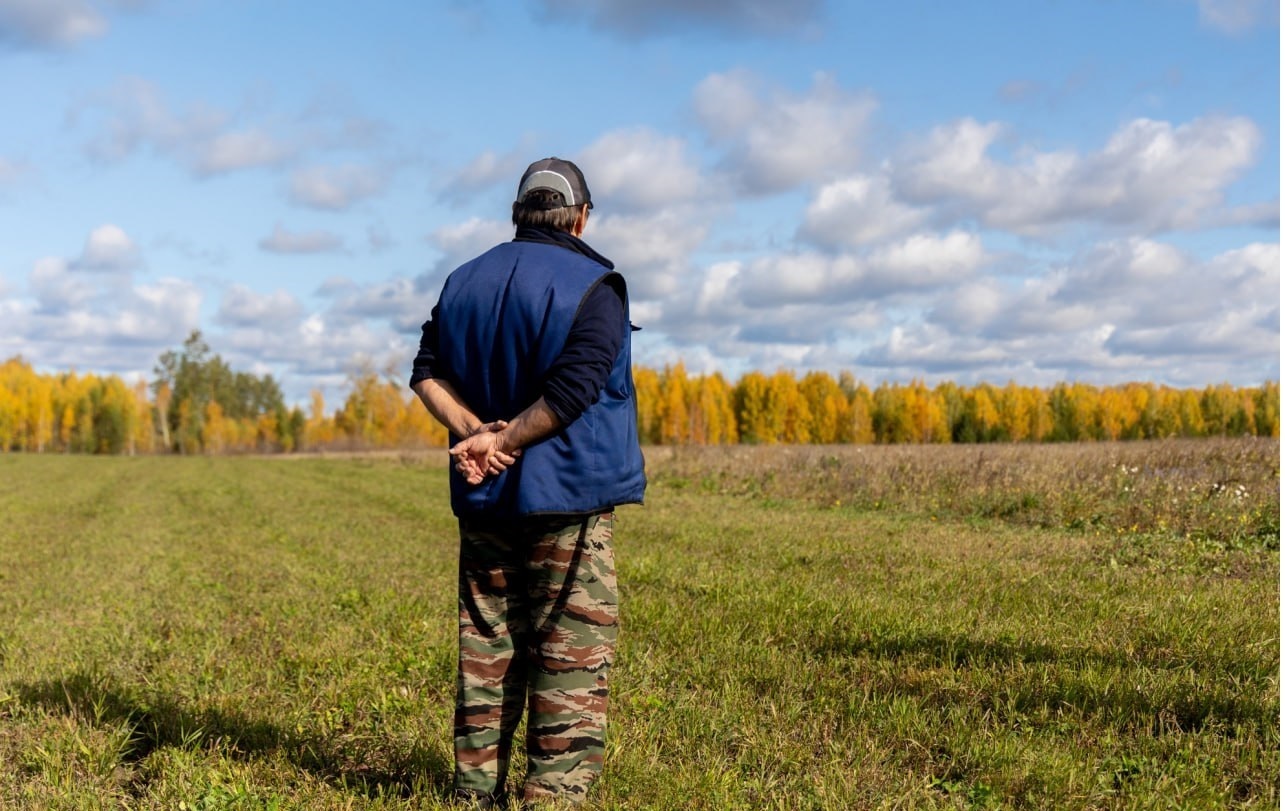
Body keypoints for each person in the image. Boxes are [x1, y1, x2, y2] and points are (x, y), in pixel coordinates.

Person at [410, 157, 646, 809]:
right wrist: (503, 439)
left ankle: (473, 791)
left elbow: (424, 371)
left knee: (486, 647)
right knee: (569, 650)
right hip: (567, 500)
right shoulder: (594, 284)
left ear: (518, 214)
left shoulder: (462, 281)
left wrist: (471, 434)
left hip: (484, 494)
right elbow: (573, 391)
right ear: (580, 215)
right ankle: (553, 794)